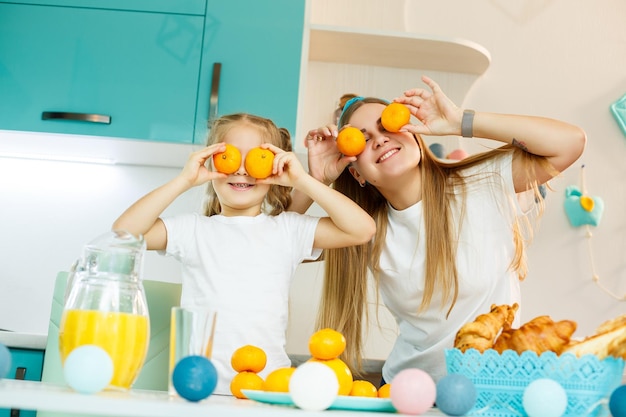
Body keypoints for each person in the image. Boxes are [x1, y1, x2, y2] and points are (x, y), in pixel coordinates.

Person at [291, 75, 586, 385]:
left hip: (491, 387)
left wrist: (461, 121)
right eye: (361, 139)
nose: (378, 139)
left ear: (414, 134)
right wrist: (313, 181)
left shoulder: (483, 183)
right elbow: (271, 247)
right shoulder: (364, 229)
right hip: (408, 394)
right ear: (357, 173)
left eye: (388, 126)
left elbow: (570, 142)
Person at [112, 113, 376, 395]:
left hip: (268, 390)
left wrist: (302, 180)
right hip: (197, 390)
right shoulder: (193, 230)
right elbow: (125, 232)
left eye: (256, 159)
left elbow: (361, 230)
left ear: (275, 167)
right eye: (231, 156)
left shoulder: (287, 230)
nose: (241, 170)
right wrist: (185, 180)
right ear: (211, 159)